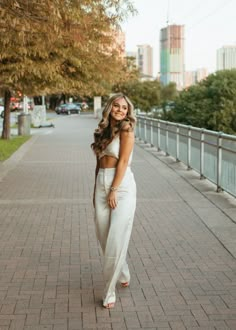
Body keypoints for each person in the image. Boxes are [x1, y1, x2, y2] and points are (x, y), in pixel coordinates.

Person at [91, 93, 136, 309]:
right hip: (102, 182)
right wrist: (95, 191)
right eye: (117, 106)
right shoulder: (101, 131)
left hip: (122, 186)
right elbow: (99, 163)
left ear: (128, 112)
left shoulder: (126, 129)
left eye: (124, 108)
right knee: (103, 236)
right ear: (110, 108)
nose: (120, 110)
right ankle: (123, 270)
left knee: (116, 236)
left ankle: (109, 291)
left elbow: (124, 161)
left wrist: (113, 190)